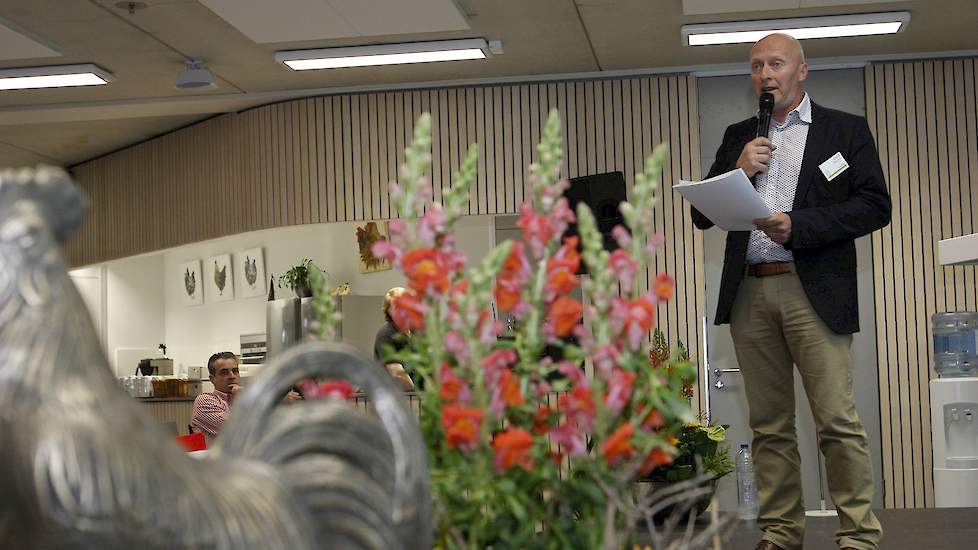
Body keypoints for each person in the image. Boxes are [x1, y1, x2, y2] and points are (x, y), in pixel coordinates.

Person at [691, 34, 890, 550]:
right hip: (750, 295)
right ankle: (781, 533)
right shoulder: (740, 134)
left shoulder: (844, 130)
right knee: (770, 427)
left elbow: (874, 205)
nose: (765, 73)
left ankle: (858, 536)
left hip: (813, 291)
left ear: (802, 71)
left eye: (776, 63)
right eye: (756, 65)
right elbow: (699, 213)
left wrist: (800, 226)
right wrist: (738, 168)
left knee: (837, 422)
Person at [191, 351, 300, 445]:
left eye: (235, 371)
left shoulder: (240, 398)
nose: (232, 376)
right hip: (216, 466)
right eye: (224, 372)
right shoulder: (205, 401)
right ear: (212, 378)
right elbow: (240, 429)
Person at [373, 287, 417, 391]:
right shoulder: (386, 335)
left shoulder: (415, 331)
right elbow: (398, 374)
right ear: (389, 311)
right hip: (399, 398)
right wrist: (416, 396)